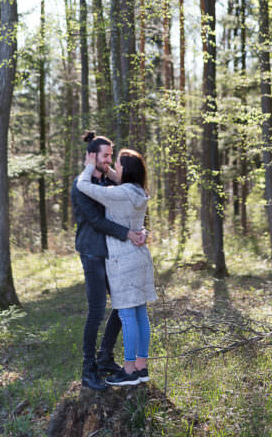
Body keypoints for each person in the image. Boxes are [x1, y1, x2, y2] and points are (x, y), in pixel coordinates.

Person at [76, 148, 157, 386]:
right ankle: (142, 367)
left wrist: (89, 165)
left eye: (118, 165)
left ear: (127, 171)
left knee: (127, 315)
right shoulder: (139, 191)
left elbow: (84, 185)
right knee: (141, 315)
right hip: (141, 257)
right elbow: (117, 177)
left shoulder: (119, 193)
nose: (114, 169)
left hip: (123, 260)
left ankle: (129, 371)